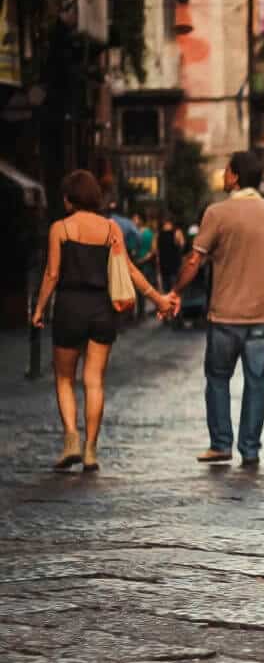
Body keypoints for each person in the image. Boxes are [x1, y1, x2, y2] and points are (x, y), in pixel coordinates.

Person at [31, 170, 176, 472]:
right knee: (94, 381)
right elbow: (130, 270)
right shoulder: (111, 228)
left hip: (70, 307)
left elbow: (52, 274)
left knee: (64, 379)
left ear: (70, 198)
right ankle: (91, 451)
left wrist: (39, 308)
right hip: (102, 309)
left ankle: (71, 436)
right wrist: (158, 298)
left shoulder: (60, 228)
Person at [169, 151, 264, 468]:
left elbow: (195, 260)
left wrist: (175, 292)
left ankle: (221, 444)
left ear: (235, 176)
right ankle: (249, 450)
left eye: (226, 172)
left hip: (225, 315)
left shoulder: (217, 213)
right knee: (256, 382)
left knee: (218, 378)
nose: (223, 177)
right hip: (262, 315)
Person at [131, 211, 158, 316]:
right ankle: (140, 311)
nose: (134, 221)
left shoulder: (147, 233)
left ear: (141, 220)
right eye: (133, 219)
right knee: (139, 289)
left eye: (136, 219)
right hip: (138, 263)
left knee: (143, 288)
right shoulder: (135, 233)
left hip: (144, 264)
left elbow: (153, 250)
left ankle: (142, 311)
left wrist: (143, 259)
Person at [157, 214, 186, 295]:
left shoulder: (159, 234)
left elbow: (156, 251)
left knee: (166, 292)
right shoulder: (177, 232)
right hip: (174, 266)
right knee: (175, 291)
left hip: (164, 266)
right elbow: (182, 245)